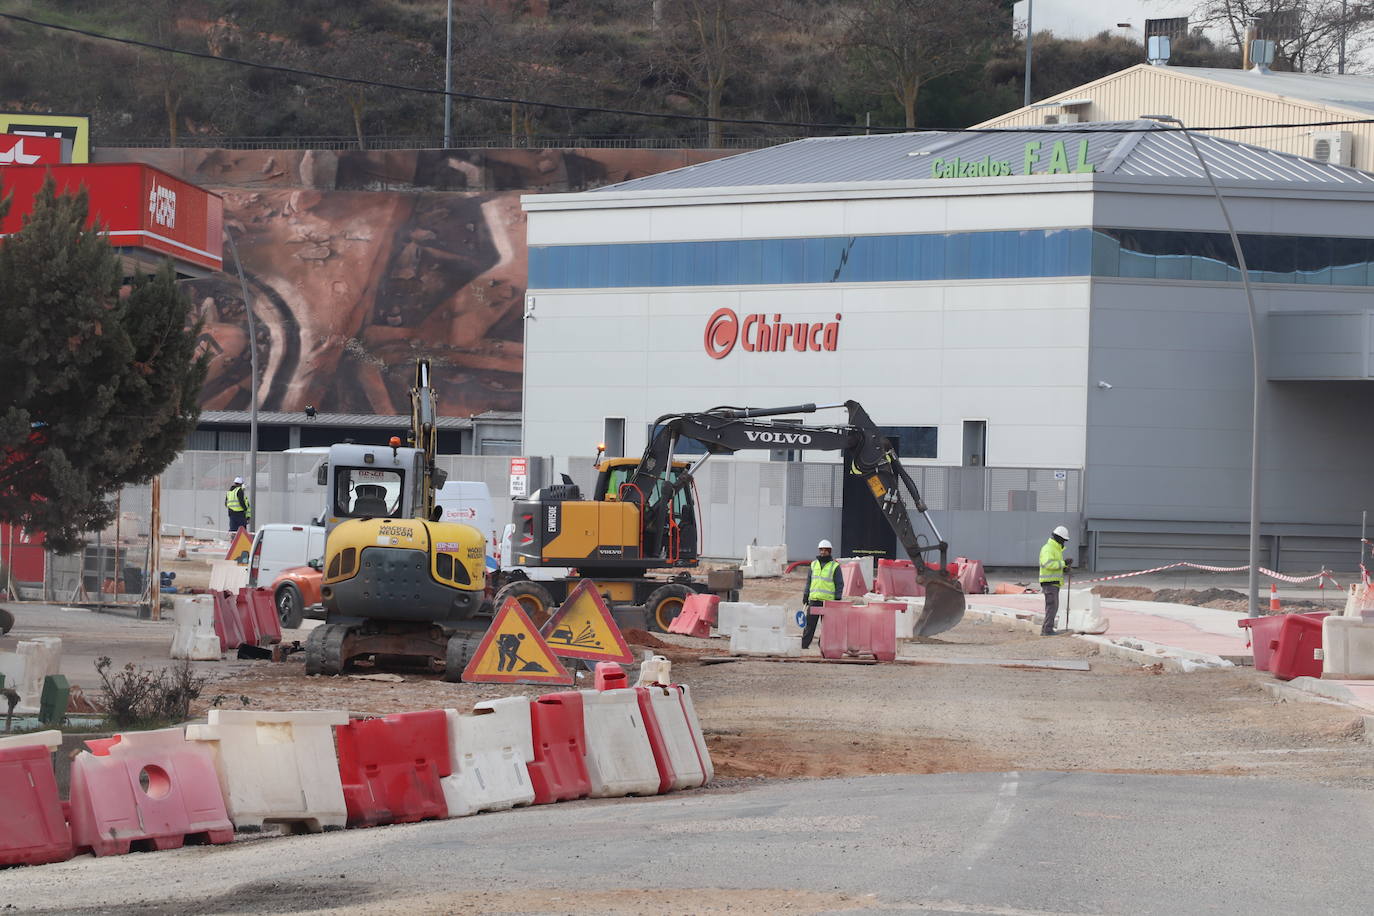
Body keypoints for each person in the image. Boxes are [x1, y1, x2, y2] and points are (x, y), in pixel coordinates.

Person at [801, 539, 844, 650]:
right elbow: (809, 582)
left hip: (828, 602)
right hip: (814, 600)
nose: (823, 552)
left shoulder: (834, 566)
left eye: (825, 550)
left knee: (827, 627)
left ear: (829, 551)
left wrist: (837, 598)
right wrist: (806, 595)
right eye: (821, 550)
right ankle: (803, 646)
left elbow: (839, 583)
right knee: (809, 626)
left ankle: (823, 647)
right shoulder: (813, 564)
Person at [1039, 525, 1072, 636]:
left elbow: (1055, 566)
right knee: (1051, 607)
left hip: (1053, 583)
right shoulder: (1048, 549)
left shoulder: (1056, 549)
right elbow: (1048, 564)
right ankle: (1047, 630)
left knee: (1053, 607)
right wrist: (1063, 564)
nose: (1064, 542)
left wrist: (1064, 569)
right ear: (1058, 538)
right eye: (1063, 540)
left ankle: (1046, 629)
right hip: (1049, 583)